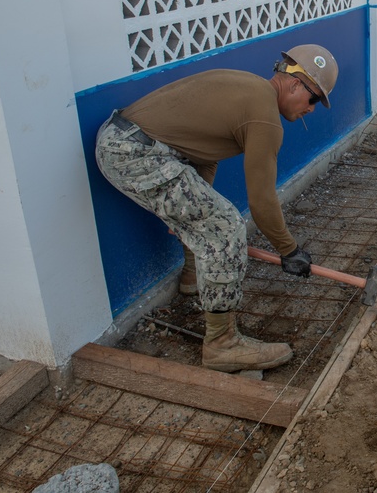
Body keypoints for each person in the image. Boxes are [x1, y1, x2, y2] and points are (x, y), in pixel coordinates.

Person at [95, 44, 338, 373]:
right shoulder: (264, 117)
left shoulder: (247, 90)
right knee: (226, 227)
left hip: (127, 141)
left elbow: (202, 156)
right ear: (295, 84)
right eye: (313, 100)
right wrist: (289, 249)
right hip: (134, 153)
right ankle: (222, 345)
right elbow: (262, 200)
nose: (312, 110)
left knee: (206, 216)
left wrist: (192, 216)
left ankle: (193, 276)